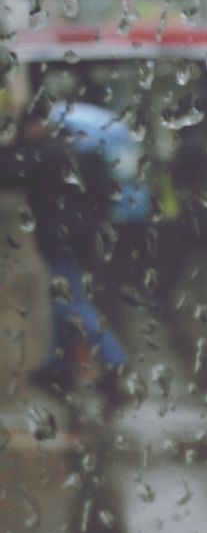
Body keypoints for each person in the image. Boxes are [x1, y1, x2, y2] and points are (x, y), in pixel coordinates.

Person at [2, 101, 129, 415]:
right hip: (79, 239)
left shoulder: (45, 154)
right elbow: (103, 195)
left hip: (62, 241)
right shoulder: (78, 150)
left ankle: (115, 362)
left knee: (72, 303)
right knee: (62, 301)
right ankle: (56, 365)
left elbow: (10, 170)